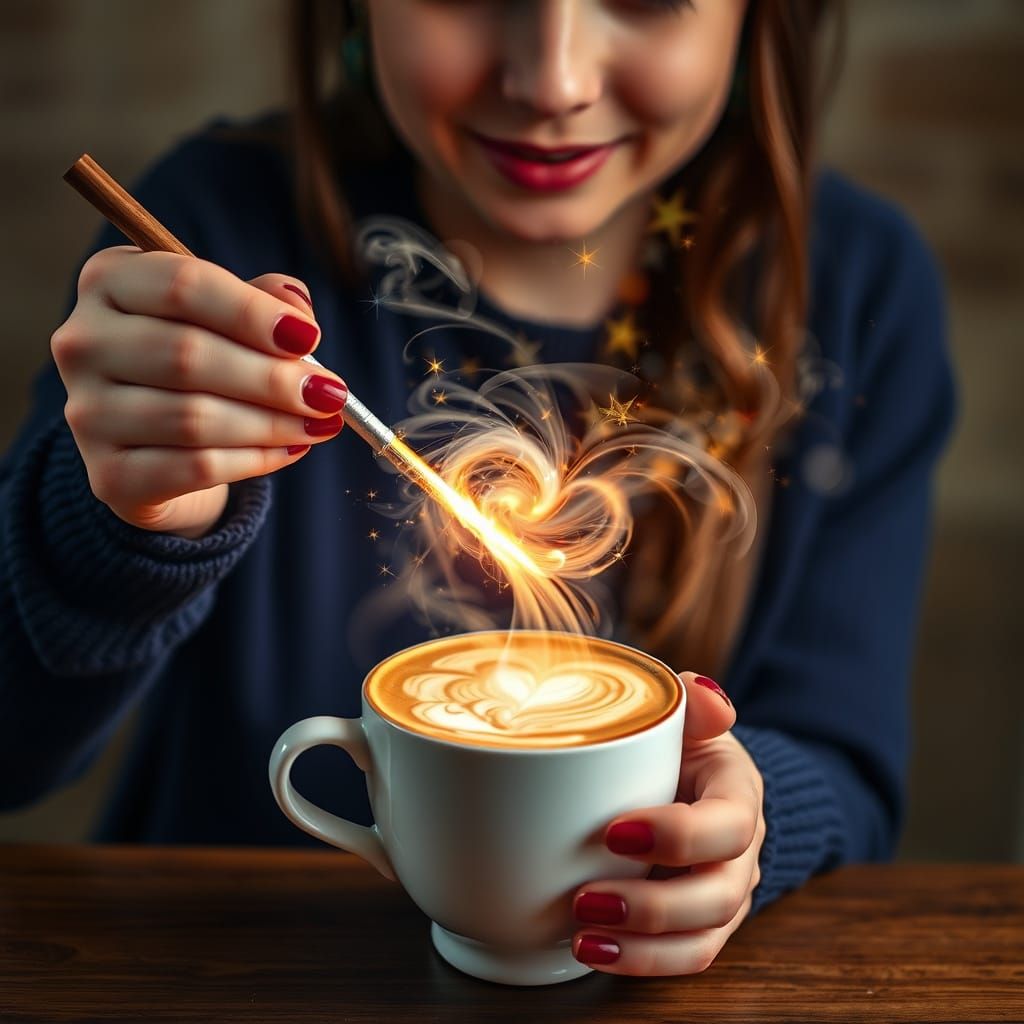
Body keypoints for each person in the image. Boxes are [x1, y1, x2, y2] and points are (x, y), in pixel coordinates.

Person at [0, 0, 955, 977]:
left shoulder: (853, 287)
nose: (552, 82)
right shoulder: (215, 239)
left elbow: (851, 770)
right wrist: (127, 524)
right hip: (201, 977)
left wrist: (750, 826)